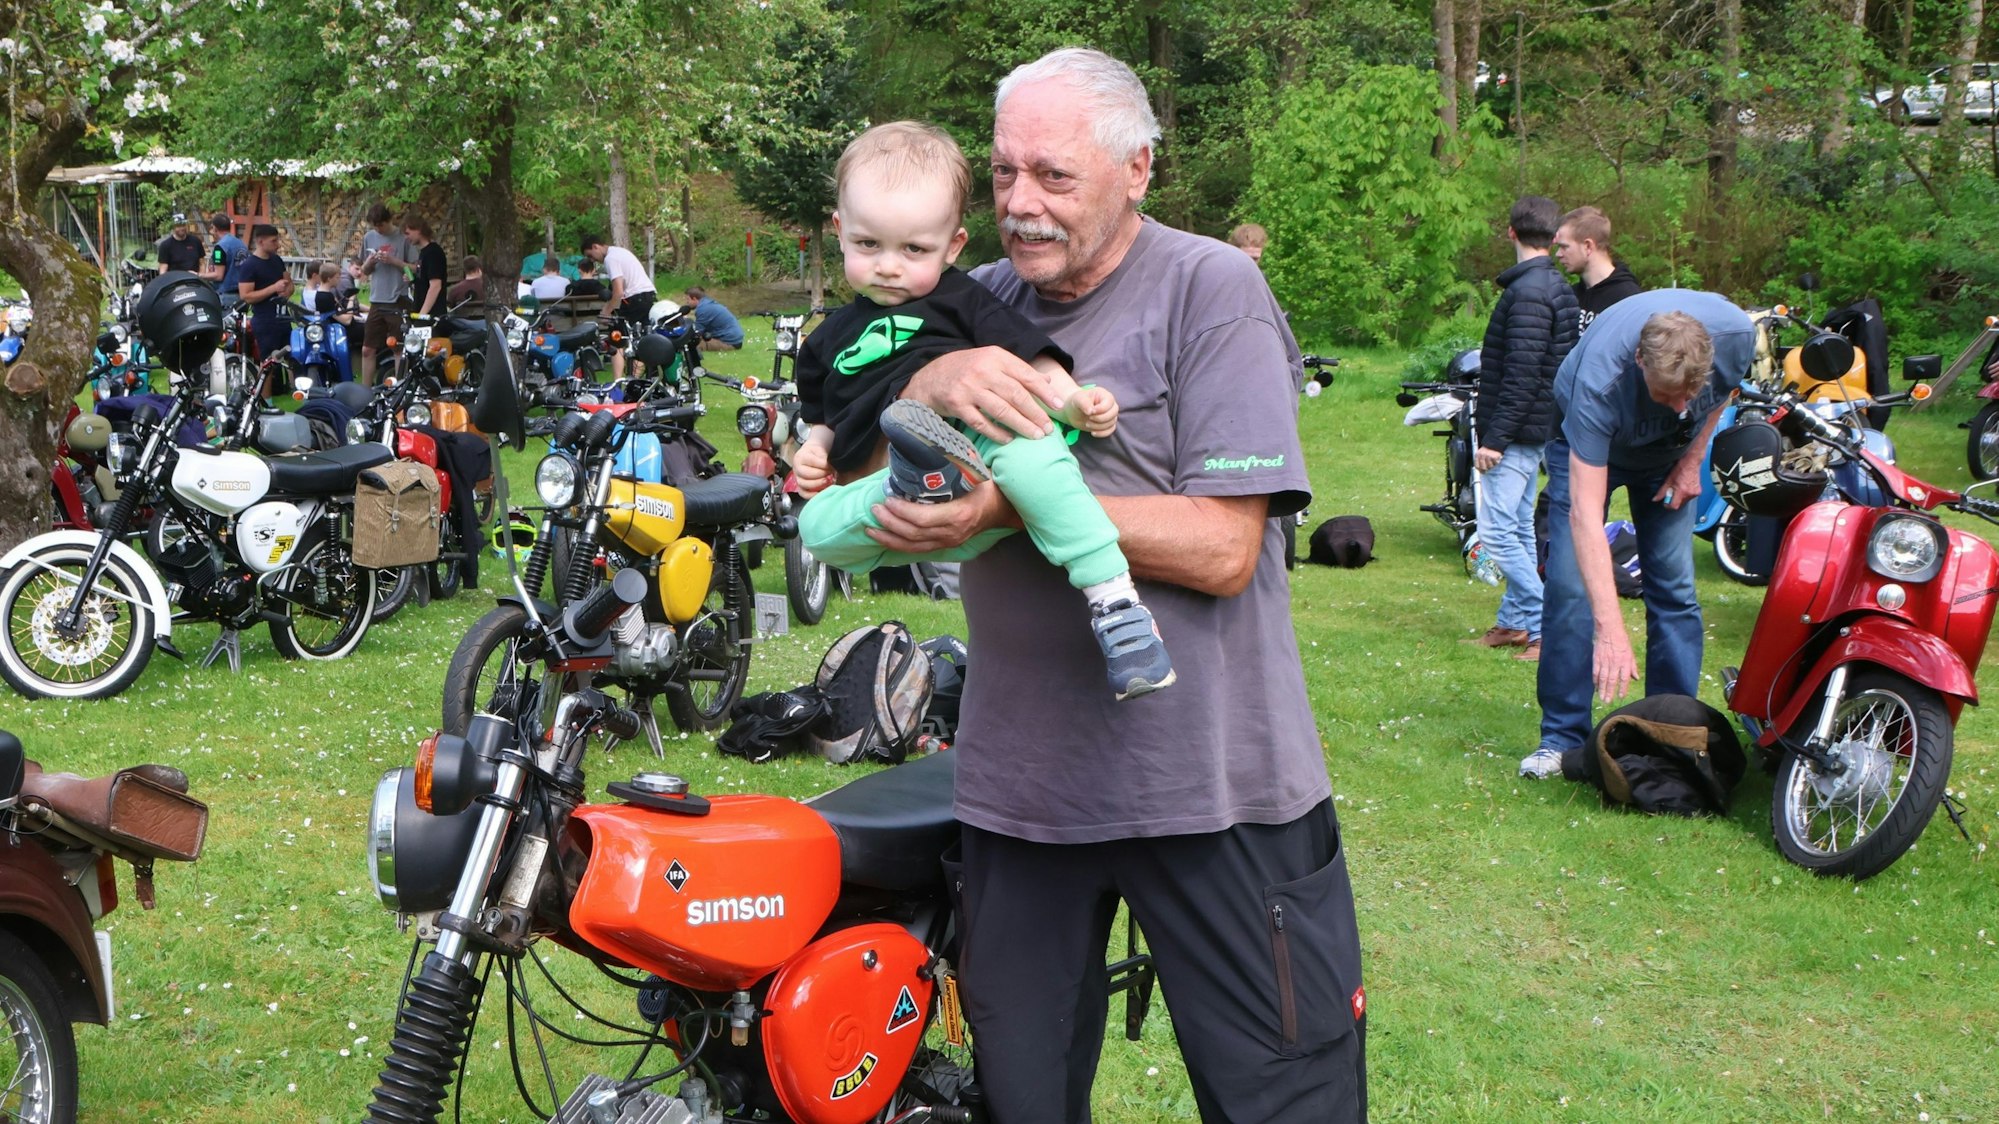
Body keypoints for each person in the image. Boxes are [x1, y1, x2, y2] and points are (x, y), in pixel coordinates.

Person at [858, 49, 1363, 1121]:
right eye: (1001, 176)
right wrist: (925, 380)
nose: (1019, 206)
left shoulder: (1208, 287)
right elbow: (853, 475)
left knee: (1285, 1095)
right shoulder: (966, 301)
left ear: (1137, 170)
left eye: (1053, 176)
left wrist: (1006, 508)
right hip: (1019, 794)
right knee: (1020, 1100)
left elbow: (1227, 547)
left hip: (1213, 790)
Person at [792, 120, 1173, 701]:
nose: (889, 266)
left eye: (914, 249)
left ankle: (1115, 603)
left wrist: (1071, 400)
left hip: (982, 441)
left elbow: (1027, 361)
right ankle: (917, 476)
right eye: (869, 245)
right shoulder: (827, 338)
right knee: (816, 528)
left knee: (1034, 458)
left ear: (954, 246)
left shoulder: (963, 299)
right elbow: (821, 412)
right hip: (897, 491)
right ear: (840, 231)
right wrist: (815, 450)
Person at [1519, 290, 1753, 780]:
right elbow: (1586, 513)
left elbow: (1722, 397)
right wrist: (1611, 631)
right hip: (1586, 450)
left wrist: (1692, 461)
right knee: (1569, 588)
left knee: (1674, 590)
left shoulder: (1735, 337)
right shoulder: (1599, 384)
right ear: (1639, 360)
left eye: (1690, 392)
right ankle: (1561, 739)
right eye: (1668, 395)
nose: (1680, 405)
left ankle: (1671, 732)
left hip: (1669, 460)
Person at [1469, 196, 1580, 663]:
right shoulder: (1555, 285)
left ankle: (1540, 625)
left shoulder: (1529, 293)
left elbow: (1523, 372)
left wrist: (1495, 439)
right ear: (1554, 238)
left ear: (1510, 232)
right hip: (1539, 426)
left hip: (1517, 430)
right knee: (1516, 527)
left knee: (1495, 535)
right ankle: (1515, 623)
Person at [1553, 206, 1643, 333]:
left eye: (1564, 247)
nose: (1558, 254)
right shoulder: (1571, 296)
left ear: (1588, 246)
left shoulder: (1627, 300)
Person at [581, 234, 655, 377]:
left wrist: (607, 312)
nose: (592, 260)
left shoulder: (611, 259)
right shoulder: (620, 252)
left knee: (617, 341)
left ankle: (618, 383)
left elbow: (618, 291)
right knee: (640, 340)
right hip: (647, 296)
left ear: (596, 246)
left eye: (591, 255)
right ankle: (634, 381)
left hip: (634, 299)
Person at [236, 223, 294, 393]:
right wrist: (273, 289)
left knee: (292, 357)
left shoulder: (277, 260)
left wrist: (287, 291)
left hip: (283, 317)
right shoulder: (249, 266)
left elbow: (288, 284)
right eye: (273, 241)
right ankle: (265, 401)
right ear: (261, 242)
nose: (278, 244)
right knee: (268, 361)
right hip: (264, 319)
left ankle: (295, 393)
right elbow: (246, 295)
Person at [358, 204, 411, 385]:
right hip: (376, 300)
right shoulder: (369, 237)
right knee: (367, 349)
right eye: (374, 226)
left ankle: (400, 389)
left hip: (398, 299)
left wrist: (394, 261)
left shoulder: (404, 238)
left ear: (389, 220)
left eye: (380, 225)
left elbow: (414, 269)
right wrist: (369, 262)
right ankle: (365, 391)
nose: (377, 230)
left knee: (398, 348)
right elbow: (363, 271)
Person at [406, 217, 448, 318]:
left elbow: (435, 286)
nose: (406, 237)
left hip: (432, 315)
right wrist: (414, 279)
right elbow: (425, 280)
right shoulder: (423, 253)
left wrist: (422, 314)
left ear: (419, 230)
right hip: (421, 312)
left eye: (408, 233)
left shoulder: (433, 253)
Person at [681, 285, 745, 351]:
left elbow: (696, 332)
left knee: (689, 344)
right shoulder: (707, 304)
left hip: (729, 343)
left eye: (688, 299)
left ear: (694, 299)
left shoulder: (703, 309)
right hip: (735, 340)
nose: (687, 302)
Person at [200, 213, 246, 298]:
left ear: (215, 228)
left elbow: (218, 275)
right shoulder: (241, 244)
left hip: (227, 294)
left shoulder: (220, 248)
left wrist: (198, 275)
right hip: (242, 292)